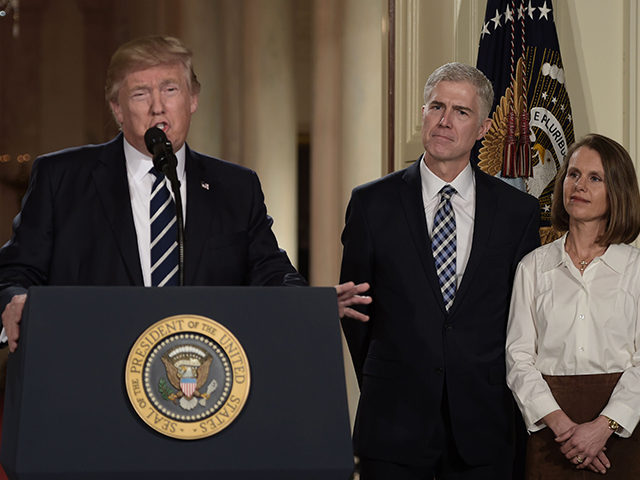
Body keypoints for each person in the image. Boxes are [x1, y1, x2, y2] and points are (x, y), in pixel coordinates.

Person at [0, 35, 370, 352]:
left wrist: (310, 304)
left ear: (192, 99)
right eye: (141, 93)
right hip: (93, 370)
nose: (158, 106)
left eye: (170, 90)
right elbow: (17, 270)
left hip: (199, 381)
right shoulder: (62, 178)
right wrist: (15, 299)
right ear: (117, 109)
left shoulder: (235, 187)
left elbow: (269, 271)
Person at [339, 62, 540, 480]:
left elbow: (523, 317)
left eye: (461, 112)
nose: (445, 121)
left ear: (484, 128)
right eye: (436, 107)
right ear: (423, 113)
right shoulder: (372, 204)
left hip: (486, 428)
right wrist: (394, 375)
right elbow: (358, 314)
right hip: (393, 425)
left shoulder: (517, 212)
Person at [506, 133, 640, 478]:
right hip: (550, 432)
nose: (579, 185)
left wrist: (603, 427)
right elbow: (518, 358)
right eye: (573, 174)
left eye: (595, 178)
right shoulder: (532, 267)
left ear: (618, 192)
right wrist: (563, 428)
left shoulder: (636, 270)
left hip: (622, 433)